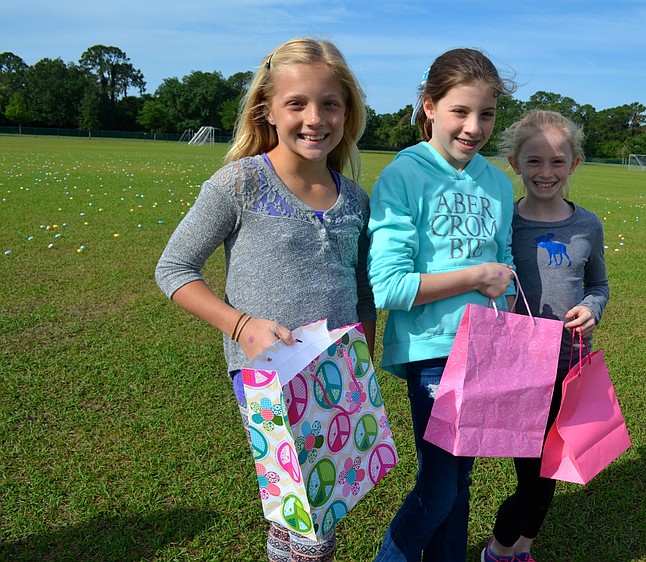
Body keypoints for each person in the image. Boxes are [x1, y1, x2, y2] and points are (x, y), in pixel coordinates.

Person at [154, 38, 376, 562]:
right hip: (267, 374)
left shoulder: (356, 198)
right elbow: (173, 269)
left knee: (320, 504)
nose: (314, 117)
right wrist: (241, 326)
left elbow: (362, 290)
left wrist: (363, 351)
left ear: (348, 111)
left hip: (339, 372)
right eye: (296, 103)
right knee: (309, 520)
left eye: (330, 103)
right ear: (267, 109)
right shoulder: (240, 183)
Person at [367, 48, 517, 562]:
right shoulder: (405, 175)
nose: (474, 127)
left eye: (487, 114)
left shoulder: (497, 182)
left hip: (486, 349)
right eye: (460, 111)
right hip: (433, 350)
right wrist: (475, 276)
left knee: (461, 483)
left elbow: (507, 262)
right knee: (438, 490)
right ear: (429, 106)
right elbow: (387, 286)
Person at [480, 110, 609, 562]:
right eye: (534, 162)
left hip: (569, 366)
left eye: (557, 162)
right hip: (518, 367)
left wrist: (591, 310)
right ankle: (497, 551)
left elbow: (599, 285)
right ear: (514, 163)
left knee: (554, 469)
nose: (546, 173)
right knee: (533, 475)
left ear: (574, 164)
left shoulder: (587, 225)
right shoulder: (501, 224)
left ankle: (522, 550)